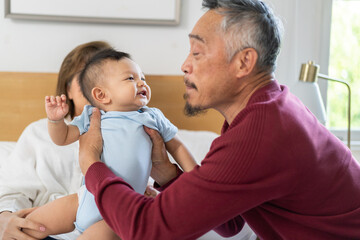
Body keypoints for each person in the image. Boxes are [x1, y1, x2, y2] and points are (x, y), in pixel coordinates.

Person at [77, 0, 360, 240]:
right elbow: (231, 222)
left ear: (244, 62)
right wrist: (167, 173)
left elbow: (149, 229)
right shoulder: (271, 108)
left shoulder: (259, 134)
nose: (185, 65)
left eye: (197, 52)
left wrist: (93, 166)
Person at [23, 49, 197, 240]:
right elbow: (62, 138)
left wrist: (196, 177)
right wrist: (55, 121)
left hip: (121, 209)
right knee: (31, 225)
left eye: (143, 78)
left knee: (100, 236)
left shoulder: (152, 116)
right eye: (130, 78)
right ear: (101, 94)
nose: (141, 83)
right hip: (85, 198)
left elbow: (177, 146)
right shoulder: (92, 116)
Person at [0, 40, 112, 240]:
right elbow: (12, 191)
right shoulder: (38, 133)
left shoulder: (130, 135)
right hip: (40, 232)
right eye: (85, 75)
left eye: (105, 77)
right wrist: (5, 216)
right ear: (68, 89)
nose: (95, 85)